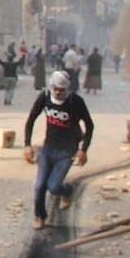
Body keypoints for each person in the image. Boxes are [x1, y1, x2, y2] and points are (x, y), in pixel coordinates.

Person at [23, 70, 94, 230]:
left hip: (67, 152)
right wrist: (27, 145)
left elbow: (89, 125)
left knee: (54, 187)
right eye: (54, 88)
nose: (56, 92)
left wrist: (83, 150)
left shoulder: (76, 101)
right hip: (48, 148)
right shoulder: (44, 97)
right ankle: (40, 216)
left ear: (67, 88)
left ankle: (67, 191)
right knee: (39, 186)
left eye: (60, 90)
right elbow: (31, 120)